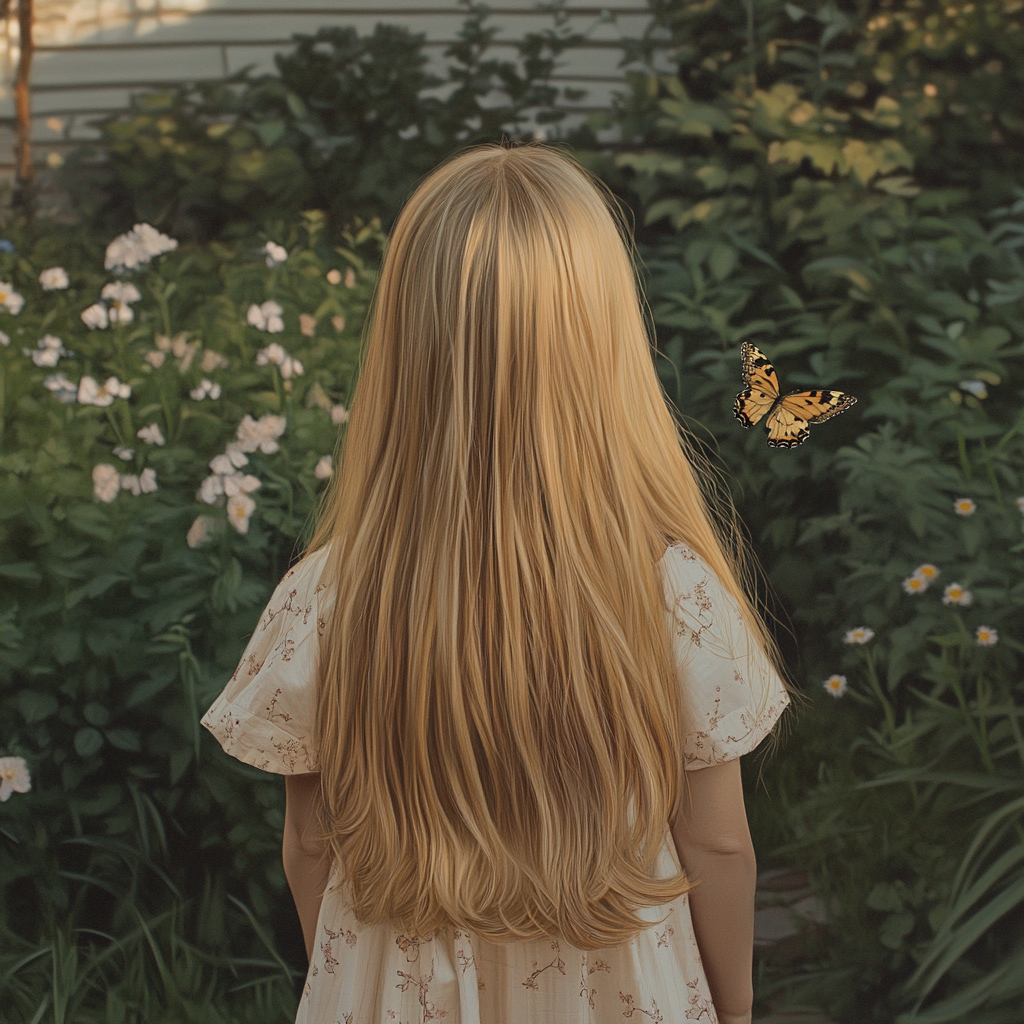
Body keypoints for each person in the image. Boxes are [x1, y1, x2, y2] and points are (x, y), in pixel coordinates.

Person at [201, 140, 792, 1024]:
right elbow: (717, 842)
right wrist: (737, 1006)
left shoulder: (329, 593)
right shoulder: (673, 592)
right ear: (605, 344)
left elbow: (312, 846)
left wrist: (349, 980)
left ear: (407, 343)